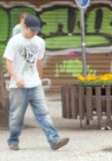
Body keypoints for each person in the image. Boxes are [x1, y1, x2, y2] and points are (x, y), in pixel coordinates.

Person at [4, 15, 69, 151]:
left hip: (35, 84)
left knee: (43, 113)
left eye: (37, 30)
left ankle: (54, 139)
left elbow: (39, 61)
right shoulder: (14, 41)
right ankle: (13, 140)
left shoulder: (40, 42)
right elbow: (8, 62)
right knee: (17, 116)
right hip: (18, 87)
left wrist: (40, 78)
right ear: (25, 27)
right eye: (32, 30)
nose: (35, 32)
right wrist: (16, 78)